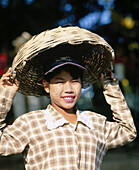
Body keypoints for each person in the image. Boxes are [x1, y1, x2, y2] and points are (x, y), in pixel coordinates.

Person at [0, 26, 137, 170]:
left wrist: (111, 87)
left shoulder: (94, 122)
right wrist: (5, 94)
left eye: (74, 81)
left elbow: (128, 131)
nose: (69, 89)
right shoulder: (31, 123)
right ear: (46, 86)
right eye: (59, 82)